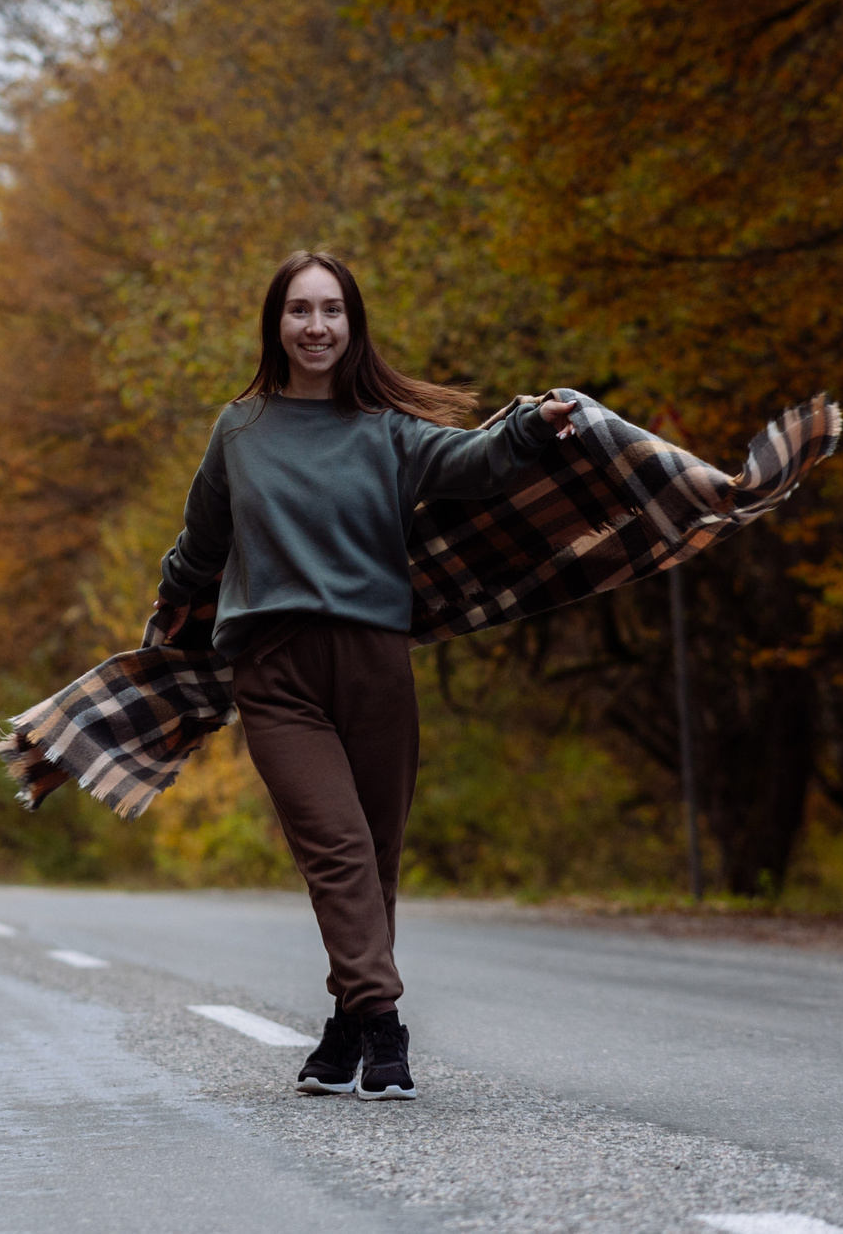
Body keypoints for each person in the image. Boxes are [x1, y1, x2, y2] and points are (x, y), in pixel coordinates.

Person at [153, 250, 573, 1102]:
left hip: (377, 663)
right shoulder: (241, 428)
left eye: (332, 310)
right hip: (275, 670)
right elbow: (201, 545)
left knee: (375, 856)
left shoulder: (389, 431)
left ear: (354, 325)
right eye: (300, 310)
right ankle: (383, 1025)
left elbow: (479, 464)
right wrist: (162, 627)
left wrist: (530, 425)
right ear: (277, 323)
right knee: (337, 849)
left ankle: (345, 1028)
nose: (316, 326)